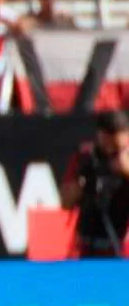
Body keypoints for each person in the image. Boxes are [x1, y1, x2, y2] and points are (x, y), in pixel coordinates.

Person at [61, 111, 129, 258]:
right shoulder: (85, 158)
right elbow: (66, 203)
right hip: (87, 245)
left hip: (120, 246)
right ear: (101, 136)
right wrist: (77, 188)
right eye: (109, 143)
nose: (113, 151)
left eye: (119, 146)